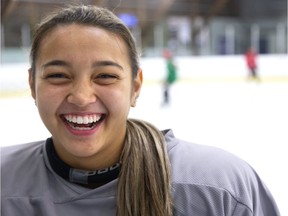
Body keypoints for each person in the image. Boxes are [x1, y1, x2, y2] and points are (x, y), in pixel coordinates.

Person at [1, 5, 280, 216]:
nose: (82, 97)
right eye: (58, 76)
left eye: (106, 76)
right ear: (32, 85)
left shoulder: (218, 188)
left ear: (135, 87)